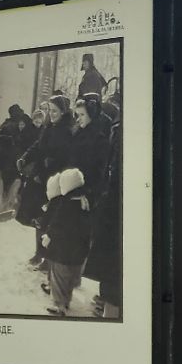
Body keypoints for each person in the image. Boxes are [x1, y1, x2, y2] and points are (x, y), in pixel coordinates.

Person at [83, 120, 124, 319]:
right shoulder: (116, 130)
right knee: (110, 271)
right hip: (109, 205)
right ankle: (106, 303)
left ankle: (110, 308)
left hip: (116, 208)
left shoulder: (116, 132)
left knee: (113, 270)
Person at [40, 168, 93, 316]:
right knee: (68, 279)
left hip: (63, 250)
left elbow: (58, 223)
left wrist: (48, 236)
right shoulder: (84, 201)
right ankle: (66, 302)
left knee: (59, 278)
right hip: (77, 250)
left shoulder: (66, 203)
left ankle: (59, 306)